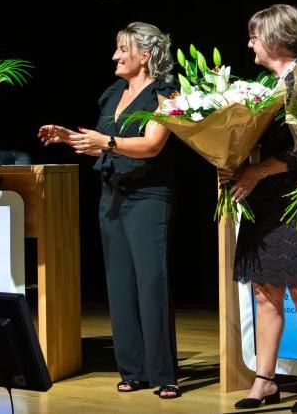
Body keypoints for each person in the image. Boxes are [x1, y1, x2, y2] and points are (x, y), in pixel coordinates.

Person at [38, 22, 181, 399]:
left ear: (145, 54)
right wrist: (72, 138)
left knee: (151, 284)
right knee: (119, 285)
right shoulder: (114, 92)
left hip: (149, 195)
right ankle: (132, 370)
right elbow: (103, 147)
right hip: (112, 195)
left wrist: (107, 140)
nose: (115, 56)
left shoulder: (166, 92)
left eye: (122, 49)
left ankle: (164, 373)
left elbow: (152, 145)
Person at [222, 4, 297, 412]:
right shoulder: (264, 86)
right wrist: (232, 164)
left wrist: (257, 172)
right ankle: (264, 380)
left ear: (272, 38)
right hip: (263, 195)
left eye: (254, 36)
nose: (249, 43)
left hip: (296, 196)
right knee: (265, 291)